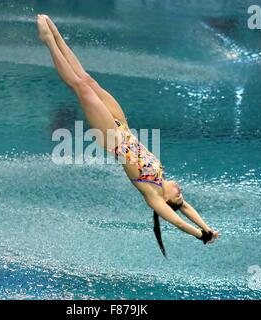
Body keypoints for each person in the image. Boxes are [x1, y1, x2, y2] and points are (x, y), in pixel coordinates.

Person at [36, 14, 219, 256]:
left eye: (179, 195)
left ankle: (48, 41)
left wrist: (201, 236)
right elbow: (187, 209)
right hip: (122, 125)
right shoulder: (162, 180)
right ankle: (58, 36)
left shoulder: (153, 195)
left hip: (112, 138)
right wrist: (207, 227)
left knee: (80, 88)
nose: (181, 191)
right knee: (89, 81)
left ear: (167, 199)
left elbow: (177, 220)